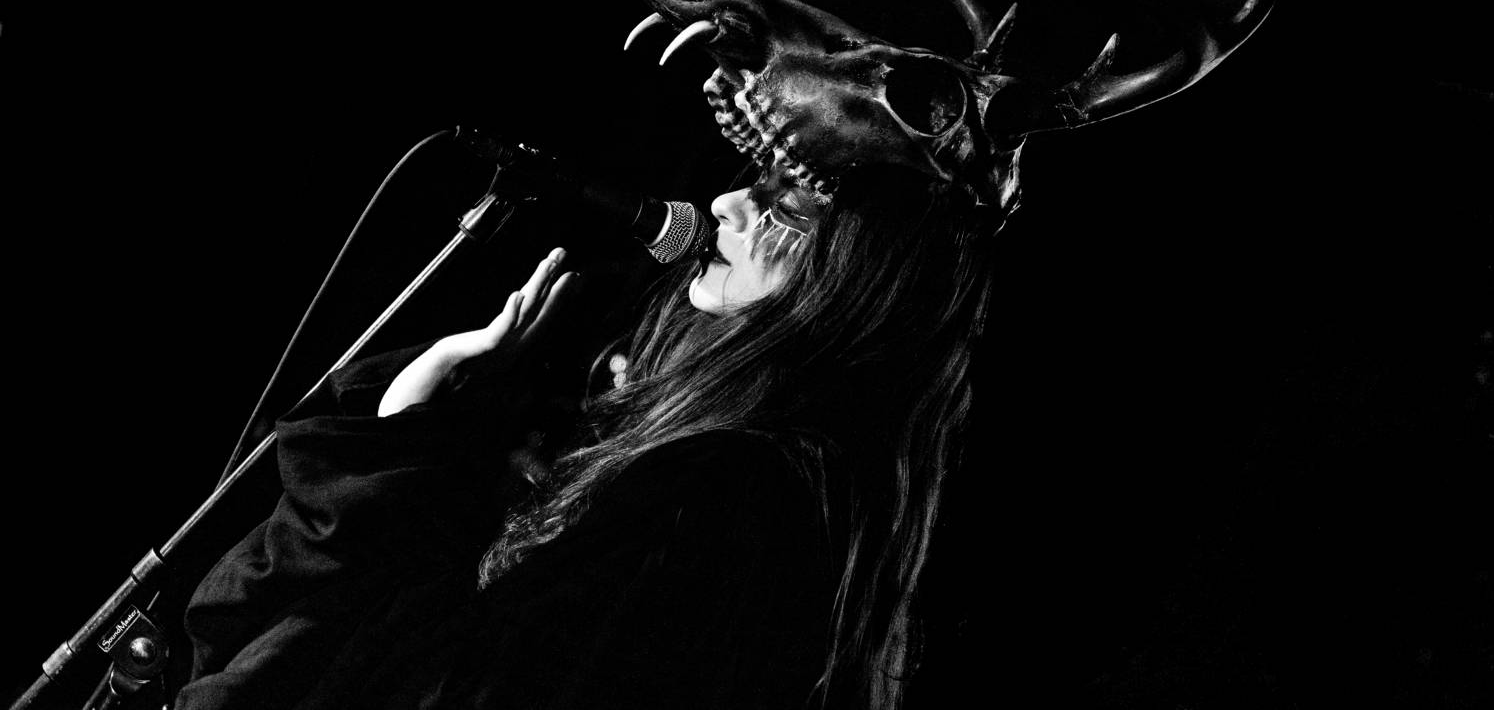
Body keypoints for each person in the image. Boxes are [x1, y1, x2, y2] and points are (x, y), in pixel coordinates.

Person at [175, 160, 995, 709]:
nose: (723, 204)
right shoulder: (754, 483)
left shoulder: (723, 493)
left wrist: (401, 443)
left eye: (783, 208)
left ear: (858, 280)